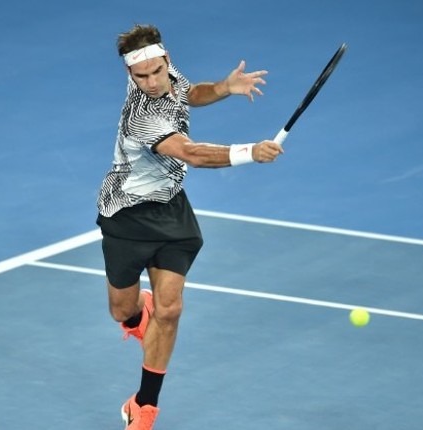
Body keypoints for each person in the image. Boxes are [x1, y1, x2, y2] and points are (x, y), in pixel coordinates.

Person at [96, 24, 283, 430]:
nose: (149, 82)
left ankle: (144, 406)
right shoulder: (141, 117)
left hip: (172, 213)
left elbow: (188, 92)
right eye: (139, 77)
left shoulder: (169, 75)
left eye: (155, 73)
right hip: (126, 218)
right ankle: (135, 315)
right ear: (130, 75)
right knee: (122, 311)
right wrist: (250, 152)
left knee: (171, 308)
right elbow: (192, 154)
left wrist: (222, 88)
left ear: (166, 61)